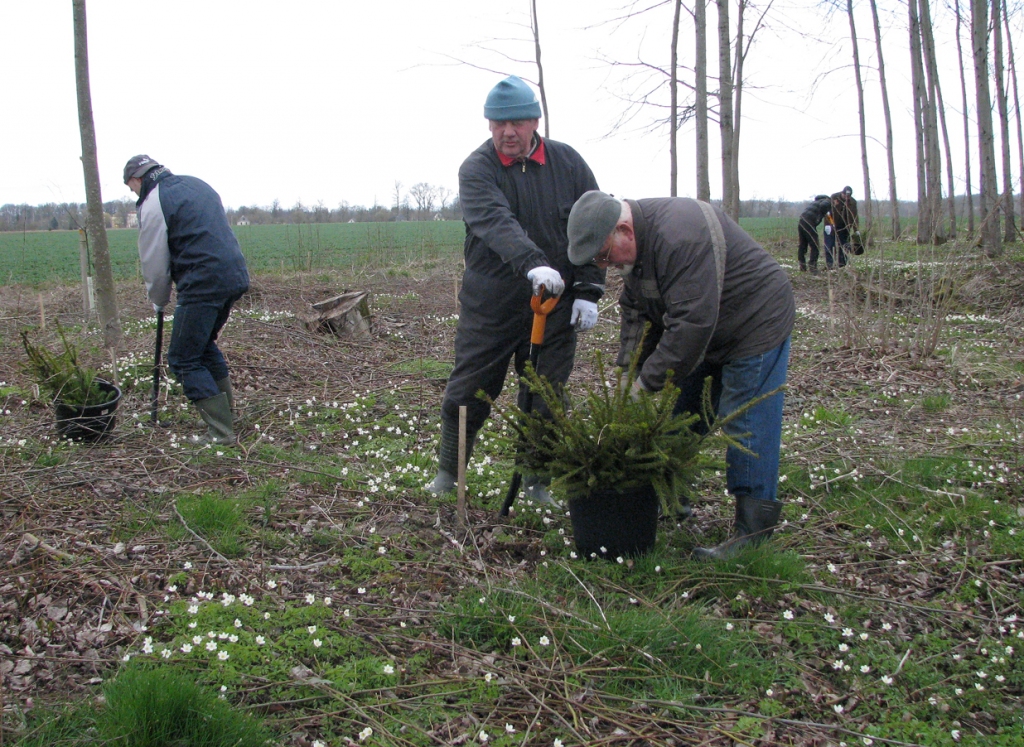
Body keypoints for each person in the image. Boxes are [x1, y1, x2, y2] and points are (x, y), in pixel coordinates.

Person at [566, 191, 795, 560]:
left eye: (605, 255)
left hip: (755, 320)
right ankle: (672, 501)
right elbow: (636, 314)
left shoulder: (680, 236)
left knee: (746, 421)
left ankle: (753, 531)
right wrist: (627, 372)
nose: (605, 265)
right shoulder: (637, 254)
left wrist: (645, 384)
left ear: (625, 230)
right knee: (679, 416)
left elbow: (691, 326)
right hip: (708, 331)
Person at [427, 76, 605, 504]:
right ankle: (450, 473)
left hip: (554, 305)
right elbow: (495, 221)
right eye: (498, 123)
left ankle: (535, 482)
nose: (508, 132)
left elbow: (592, 226)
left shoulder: (568, 163)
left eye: (517, 122)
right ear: (489, 124)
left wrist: (589, 289)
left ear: (535, 122)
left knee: (547, 393)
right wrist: (532, 264)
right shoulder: (477, 169)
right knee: (469, 387)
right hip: (492, 304)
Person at [124, 155, 249, 445]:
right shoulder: (197, 184)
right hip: (234, 275)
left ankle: (221, 433)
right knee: (203, 346)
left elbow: (154, 259)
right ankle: (227, 417)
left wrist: (158, 299)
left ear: (137, 179)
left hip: (202, 282)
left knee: (182, 359)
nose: (133, 193)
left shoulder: (153, 201)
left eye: (131, 188)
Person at [797, 195, 832, 273]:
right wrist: (822, 215)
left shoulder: (817, 201)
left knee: (802, 245)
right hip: (809, 223)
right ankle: (813, 268)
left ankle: (802, 267)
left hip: (801, 221)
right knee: (815, 246)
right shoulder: (828, 201)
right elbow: (824, 206)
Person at [828, 186, 860, 268]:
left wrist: (856, 229)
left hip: (845, 226)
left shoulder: (853, 202)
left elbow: (855, 216)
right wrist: (830, 224)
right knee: (830, 244)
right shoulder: (834, 197)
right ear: (842, 193)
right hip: (833, 224)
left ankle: (842, 264)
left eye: (848, 196)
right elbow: (828, 213)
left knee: (844, 244)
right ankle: (830, 265)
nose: (846, 198)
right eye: (845, 196)